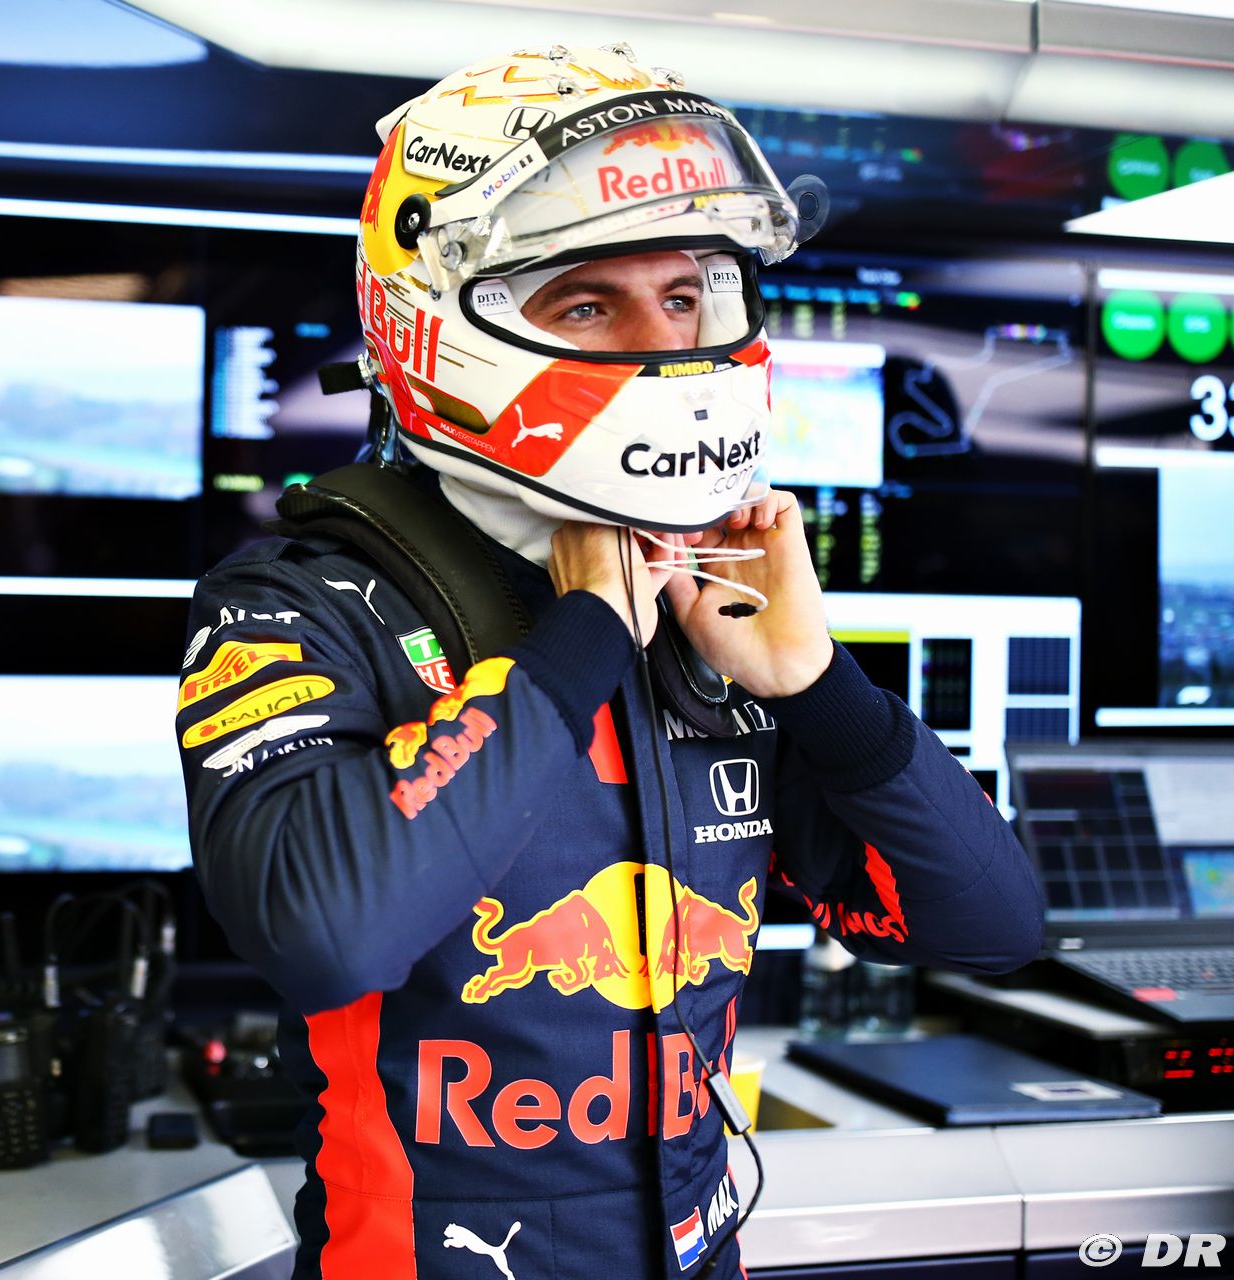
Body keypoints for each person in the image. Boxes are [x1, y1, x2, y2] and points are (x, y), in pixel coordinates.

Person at [174, 44, 1045, 1280]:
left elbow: (994, 924)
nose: (665, 345)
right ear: (434, 325)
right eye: (587, 304)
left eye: (687, 297)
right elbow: (328, 932)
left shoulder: (712, 612)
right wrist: (577, 639)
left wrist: (820, 684)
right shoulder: (300, 604)